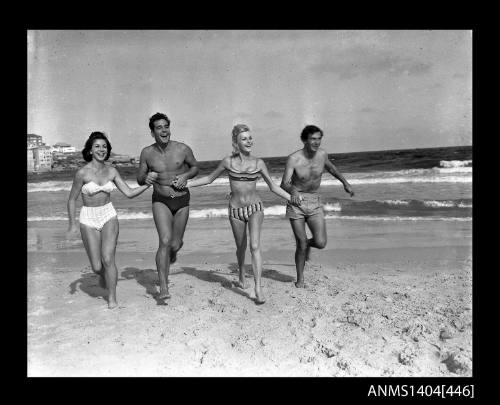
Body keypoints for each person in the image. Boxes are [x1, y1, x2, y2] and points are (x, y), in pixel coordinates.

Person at [177, 124, 294, 305]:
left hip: (255, 207)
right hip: (236, 210)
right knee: (241, 247)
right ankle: (241, 273)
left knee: (255, 246)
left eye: (250, 138)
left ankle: (258, 288)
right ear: (236, 142)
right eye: (244, 139)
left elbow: (273, 186)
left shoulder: (259, 163)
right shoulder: (228, 162)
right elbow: (209, 179)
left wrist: (290, 198)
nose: (249, 141)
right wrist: (186, 184)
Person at [67, 132, 151, 309]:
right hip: (88, 217)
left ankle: (112, 299)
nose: (101, 149)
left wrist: (147, 184)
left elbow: (128, 193)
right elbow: (72, 199)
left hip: (108, 215)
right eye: (97, 146)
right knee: (97, 266)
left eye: (104, 146)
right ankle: (102, 276)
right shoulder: (82, 173)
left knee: (108, 259)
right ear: (90, 150)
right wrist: (72, 224)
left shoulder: (112, 171)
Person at [280, 125, 354, 288]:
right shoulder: (294, 159)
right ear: (305, 139)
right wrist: (292, 189)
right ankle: (300, 279)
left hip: (315, 202)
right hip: (296, 203)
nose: (317, 142)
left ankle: (306, 245)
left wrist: (345, 183)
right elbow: (283, 183)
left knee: (321, 242)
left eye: (319, 138)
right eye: (313, 138)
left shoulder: (322, 154)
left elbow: (331, 168)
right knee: (301, 243)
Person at [136, 112, 199, 301]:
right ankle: (163, 286)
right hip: (161, 200)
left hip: (182, 201)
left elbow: (195, 167)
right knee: (164, 241)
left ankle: (173, 251)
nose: (164, 130)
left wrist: (186, 176)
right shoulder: (147, 153)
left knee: (175, 243)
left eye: (166, 126)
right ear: (152, 132)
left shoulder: (183, 148)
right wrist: (145, 178)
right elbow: (139, 178)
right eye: (159, 127)